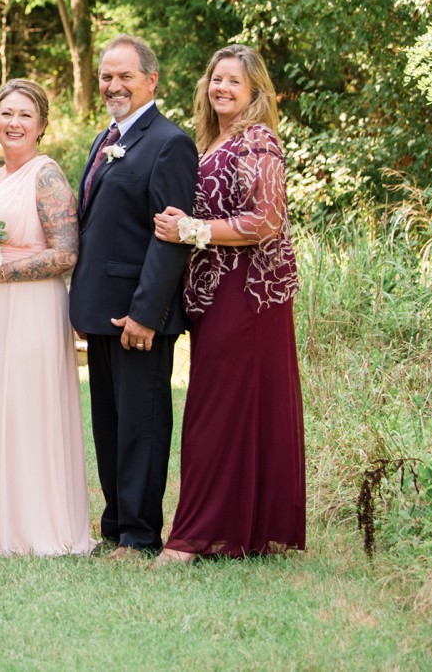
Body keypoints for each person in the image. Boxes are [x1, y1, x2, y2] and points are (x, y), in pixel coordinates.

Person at [154, 44, 304, 562]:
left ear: (255, 91)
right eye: (216, 79)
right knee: (228, 408)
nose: (221, 88)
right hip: (219, 293)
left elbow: (266, 220)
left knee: (214, 412)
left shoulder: (257, 141)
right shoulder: (216, 139)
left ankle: (192, 538)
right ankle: (244, 529)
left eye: (233, 82)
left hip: (249, 294)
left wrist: (188, 229)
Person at [69, 35, 198, 559]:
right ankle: (116, 526)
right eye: (106, 76)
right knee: (109, 422)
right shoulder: (108, 138)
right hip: (102, 311)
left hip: (138, 315)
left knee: (141, 426)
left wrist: (146, 314)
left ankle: (142, 534)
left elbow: (169, 239)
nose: (113, 85)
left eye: (124, 76)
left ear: (152, 80)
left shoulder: (169, 142)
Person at [0, 80, 95, 556]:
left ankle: (41, 526)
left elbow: (66, 254)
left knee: (29, 410)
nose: (14, 123)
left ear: (41, 125)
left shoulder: (47, 175)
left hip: (34, 308)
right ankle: (2, 523)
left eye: (24, 115)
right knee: (0, 407)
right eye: (6, 114)